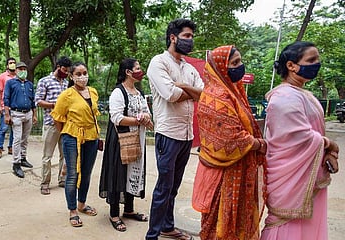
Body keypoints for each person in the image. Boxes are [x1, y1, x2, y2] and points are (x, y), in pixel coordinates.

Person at [261, 41, 339, 240]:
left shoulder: (302, 94)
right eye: (311, 60)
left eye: (317, 60)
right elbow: (299, 137)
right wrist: (330, 144)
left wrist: (327, 149)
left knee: (307, 221)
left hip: (308, 172)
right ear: (291, 66)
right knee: (284, 222)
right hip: (290, 175)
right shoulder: (284, 98)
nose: (317, 64)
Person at [191, 46, 266, 240]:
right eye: (234, 63)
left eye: (240, 62)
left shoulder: (232, 92)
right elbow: (231, 138)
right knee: (220, 223)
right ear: (221, 68)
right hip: (224, 171)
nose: (240, 67)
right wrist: (258, 144)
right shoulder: (218, 96)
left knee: (235, 218)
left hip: (237, 167)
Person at [145, 18, 203, 240]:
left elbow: (204, 94)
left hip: (186, 135)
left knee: (174, 187)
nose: (190, 40)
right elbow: (171, 95)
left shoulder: (188, 68)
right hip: (168, 135)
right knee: (163, 187)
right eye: (187, 36)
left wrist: (184, 87)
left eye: (191, 36)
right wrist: (191, 92)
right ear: (173, 37)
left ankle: (167, 226)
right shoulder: (158, 63)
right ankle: (152, 235)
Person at [99, 58, 153, 232]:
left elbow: (147, 114)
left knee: (133, 172)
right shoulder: (118, 92)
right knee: (118, 174)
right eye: (137, 68)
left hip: (137, 139)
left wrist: (146, 118)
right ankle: (114, 214)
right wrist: (139, 120)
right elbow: (116, 118)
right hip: (121, 140)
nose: (140, 70)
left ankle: (129, 210)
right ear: (128, 72)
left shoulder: (139, 92)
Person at [51, 62, 100, 227]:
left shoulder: (93, 92)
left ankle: (81, 204)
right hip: (72, 137)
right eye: (78, 74)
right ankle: (72, 210)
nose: (82, 77)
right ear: (72, 76)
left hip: (91, 136)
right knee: (73, 174)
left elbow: (94, 114)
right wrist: (67, 133)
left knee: (86, 172)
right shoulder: (67, 95)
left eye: (84, 73)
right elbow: (57, 118)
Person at [35, 56, 71, 194]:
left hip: (66, 124)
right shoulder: (45, 81)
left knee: (65, 154)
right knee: (47, 156)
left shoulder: (66, 83)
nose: (66, 73)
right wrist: (54, 105)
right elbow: (38, 101)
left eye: (68, 71)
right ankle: (45, 183)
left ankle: (63, 179)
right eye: (64, 70)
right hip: (51, 124)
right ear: (58, 67)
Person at [3, 62, 37, 178]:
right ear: (16, 70)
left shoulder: (29, 84)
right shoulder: (10, 83)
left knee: (25, 138)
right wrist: (7, 115)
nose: (23, 71)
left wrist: (34, 114)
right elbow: (6, 99)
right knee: (17, 139)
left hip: (28, 113)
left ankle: (23, 158)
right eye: (20, 69)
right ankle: (16, 163)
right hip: (16, 113)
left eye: (24, 69)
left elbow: (33, 100)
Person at [0, 58, 17, 158]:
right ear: (7, 65)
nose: (12, 64)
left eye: (14, 63)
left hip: (16, 107)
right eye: (10, 63)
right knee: (3, 129)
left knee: (14, 129)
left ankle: (11, 147)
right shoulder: (2, 77)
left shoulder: (18, 76)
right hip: (5, 107)